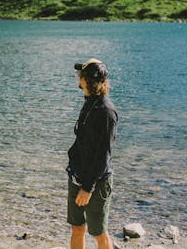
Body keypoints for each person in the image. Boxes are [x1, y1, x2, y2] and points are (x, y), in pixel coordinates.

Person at [67, 58, 118, 249]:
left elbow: (103, 156)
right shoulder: (90, 102)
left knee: (98, 232)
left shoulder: (106, 112)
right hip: (77, 176)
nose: (78, 79)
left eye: (81, 76)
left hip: (95, 182)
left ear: (87, 80)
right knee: (77, 227)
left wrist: (88, 187)